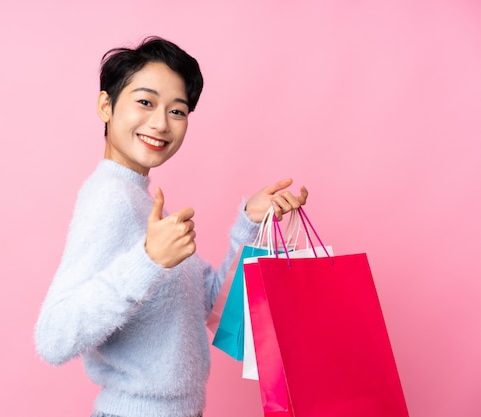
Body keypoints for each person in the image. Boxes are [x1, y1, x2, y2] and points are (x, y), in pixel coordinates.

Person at [34, 36, 308, 417]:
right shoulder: (110, 198)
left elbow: (214, 308)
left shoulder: (142, 203)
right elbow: (53, 338)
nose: (161, 123)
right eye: (145, 102)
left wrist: (250, 224)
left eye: (177, 111)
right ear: (105, 106)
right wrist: (148, 260)